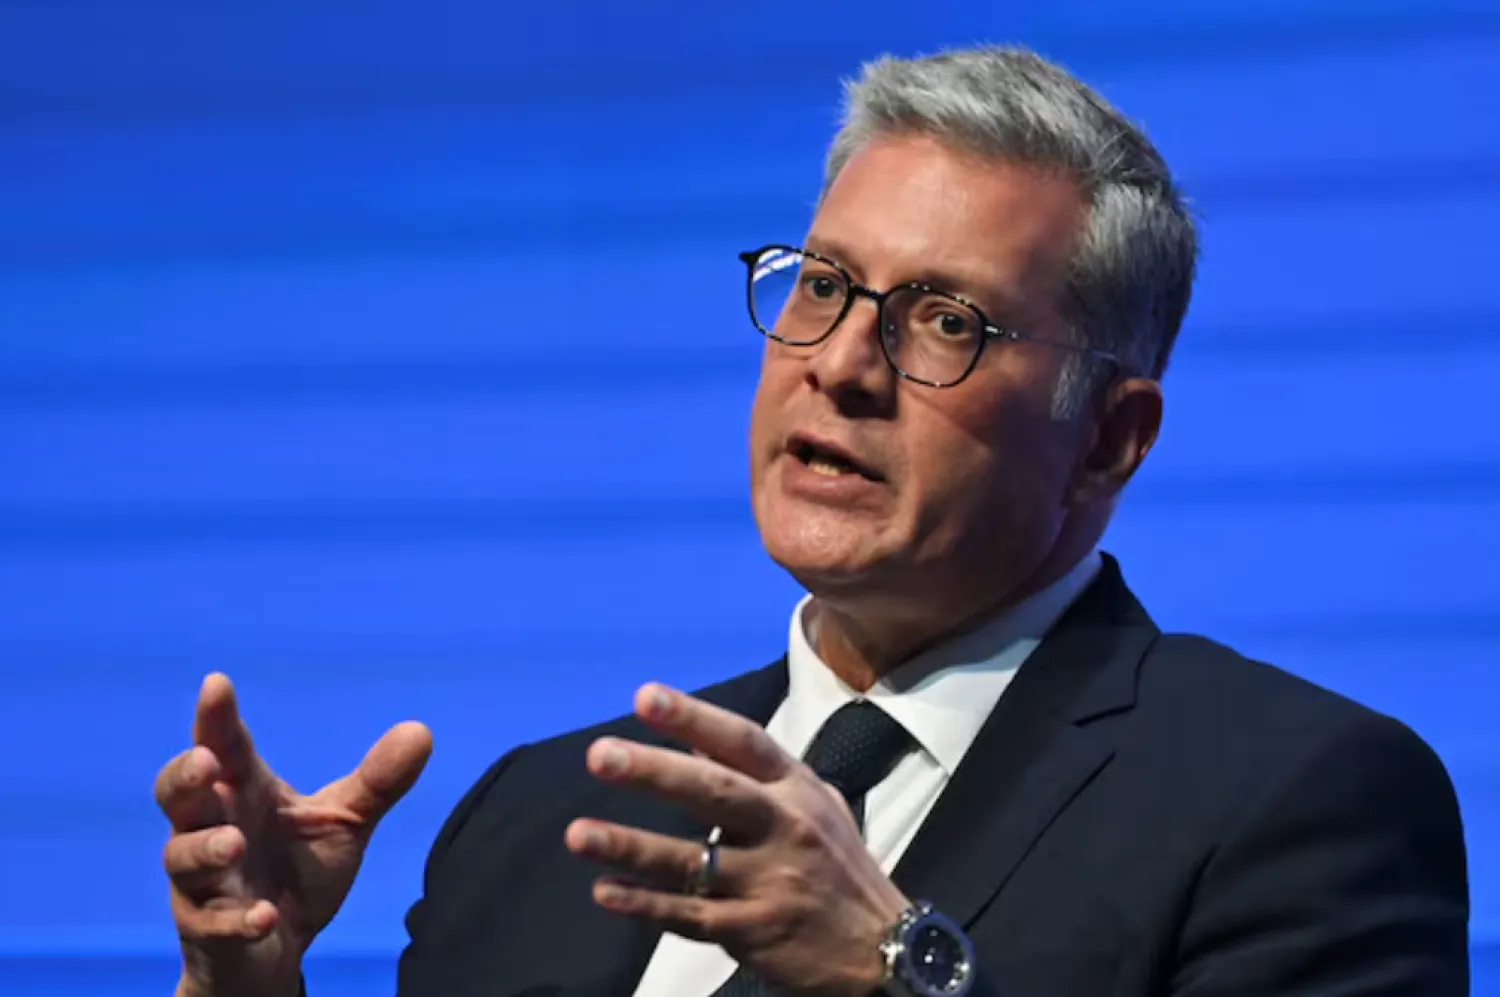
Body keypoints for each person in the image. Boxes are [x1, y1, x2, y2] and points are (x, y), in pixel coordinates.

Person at [154, 46, 1470, 997]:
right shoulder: (536, 819)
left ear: (1110, 439)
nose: (842, 363)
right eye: (822, 285)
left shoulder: (1293, 798)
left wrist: (897, 977)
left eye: (947, 320)